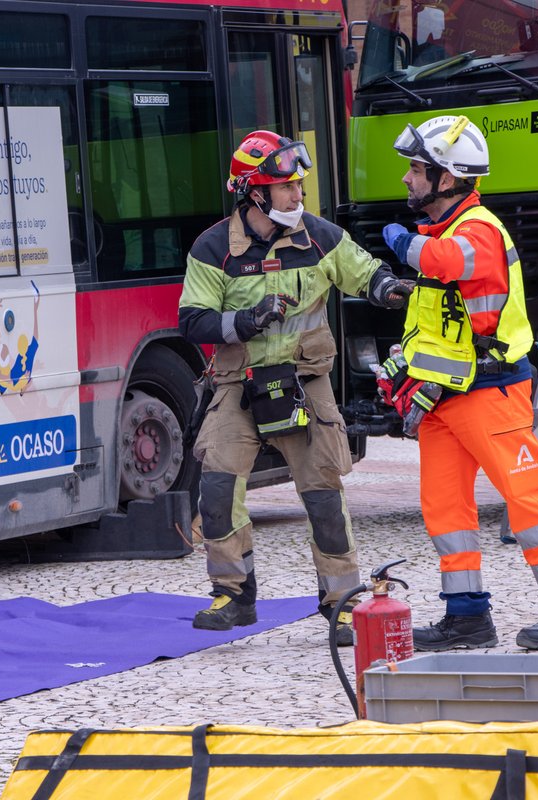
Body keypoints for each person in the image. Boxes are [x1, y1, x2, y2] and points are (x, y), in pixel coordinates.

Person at [179, 130, 413, 641]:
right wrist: (244, 321)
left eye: (299, 186)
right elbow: (193, 321)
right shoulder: (214, 247)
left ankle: (342, 602)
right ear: (254, 193)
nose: (298, 195)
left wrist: (389, 287)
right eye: (286, 187)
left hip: (306, 383)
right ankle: (233, 595)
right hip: (240, 386)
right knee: (217, 488)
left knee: (324, 495)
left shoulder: (321, 236)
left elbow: (364, 272)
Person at [379, 115, 538, 651]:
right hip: (443, 396)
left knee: (527, 500)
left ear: (448, 177)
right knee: (445, 507)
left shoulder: (475, 231)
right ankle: (466, 616)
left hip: (491, 391)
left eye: (417, 169)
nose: (407, 179)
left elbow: (444, 263)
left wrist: (399, 242)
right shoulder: (446, 229)